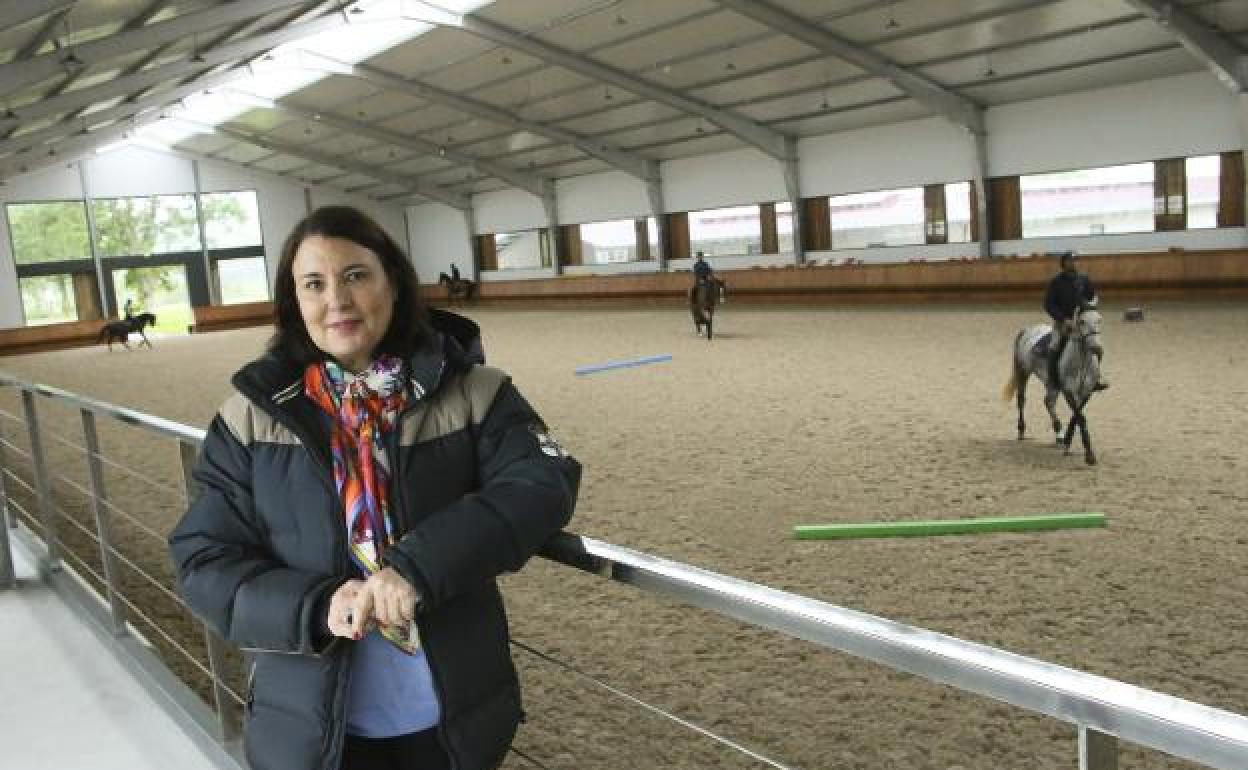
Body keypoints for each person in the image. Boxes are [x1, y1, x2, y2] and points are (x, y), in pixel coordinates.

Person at [168, 205, 580, 770]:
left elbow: (542, 481)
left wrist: (417, 566)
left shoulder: (475, 393)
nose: (336, 299)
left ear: (394, 282)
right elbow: (204, 561)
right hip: (310, 731)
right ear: (295, 303)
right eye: (314, 283)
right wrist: (315, 605)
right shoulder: (246, 422)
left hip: (451, 719)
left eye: (355, 275)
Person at [1043, 250, 1108, 391]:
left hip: (1082, 322)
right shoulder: (1056, 282)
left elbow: (1091, 296)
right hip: (1063, 323)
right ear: (1063, 263)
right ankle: (1053, 380)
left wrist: (1092, 304)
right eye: (1070, 261)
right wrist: (1063, 319)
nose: (1073, 263)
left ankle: (1096, 378)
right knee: (1054, 346)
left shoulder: (1084, 279)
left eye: (1075, 260)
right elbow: (1049, 305)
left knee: (1097, 347)